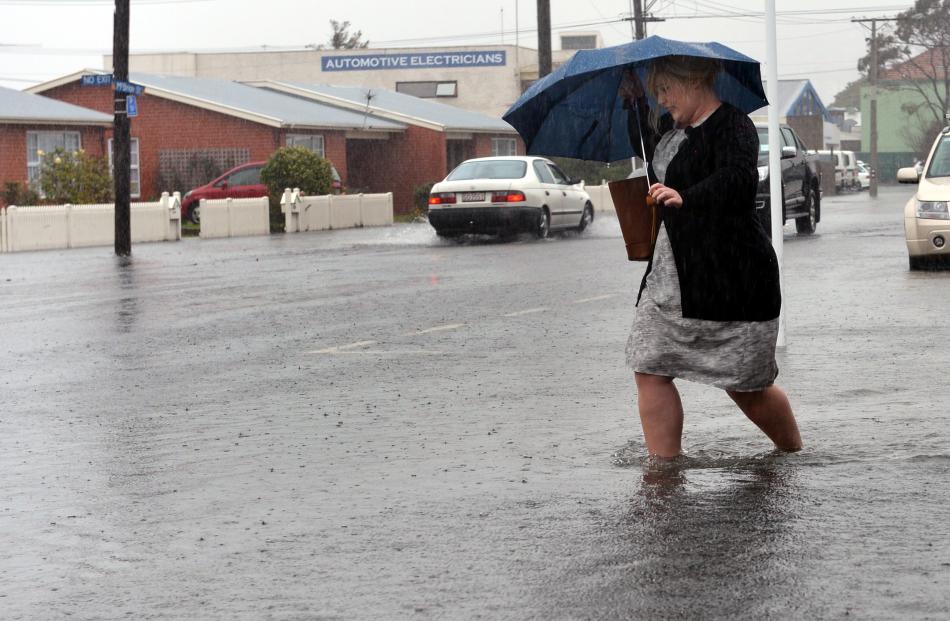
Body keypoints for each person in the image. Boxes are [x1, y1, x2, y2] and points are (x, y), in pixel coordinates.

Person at [618, 56, 803, 459]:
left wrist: (688, 196)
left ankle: (793, 454)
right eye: (657, 91)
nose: (662, 99)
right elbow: (652, 152)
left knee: (745, 387)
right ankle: (663, 473)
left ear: (697, 80)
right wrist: (634, 105)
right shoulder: (670, 128)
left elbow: (739, 178)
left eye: (666, 89)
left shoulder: (733, 125)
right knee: (648, 365)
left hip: (732, 277)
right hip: (672, 277)